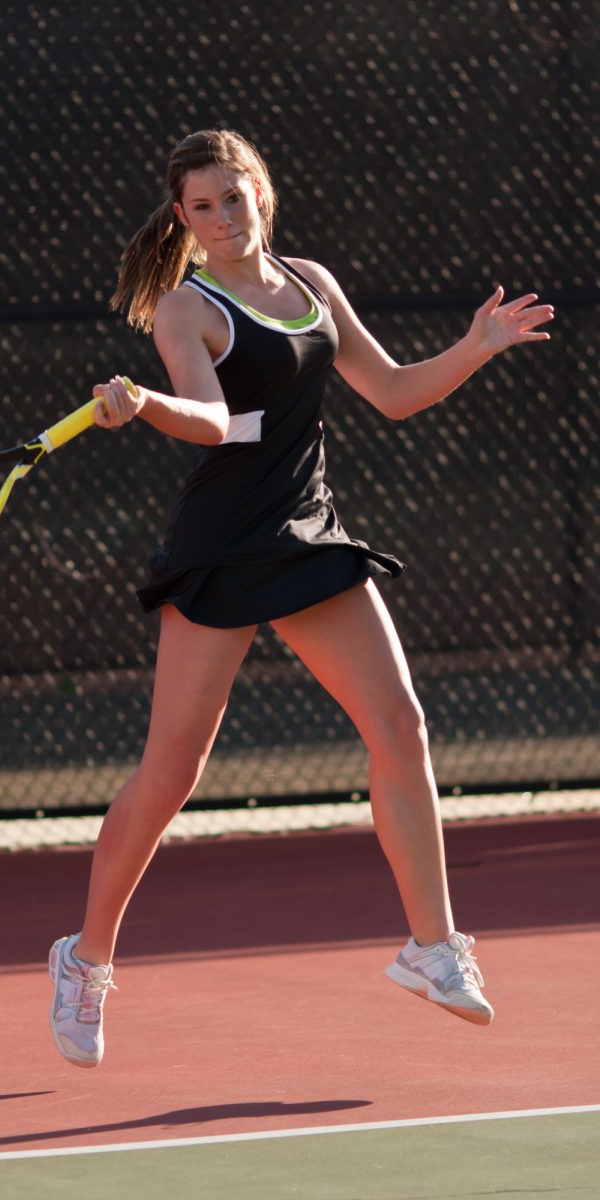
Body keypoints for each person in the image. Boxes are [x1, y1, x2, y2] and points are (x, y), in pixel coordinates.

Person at [47, 129, 554, 1068]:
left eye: (233, 198)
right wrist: (148, 404)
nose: (222, 218)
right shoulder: (182, 311)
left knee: (399, 725)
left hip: (308, 535)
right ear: (183, 220)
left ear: (261, 195)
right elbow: (212, 422)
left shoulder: (313, 282)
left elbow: (393, 393)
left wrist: (478, 345)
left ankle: (433, 949)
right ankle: (85, 959)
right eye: (201, 207)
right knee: (170, 777)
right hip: (221, 549)